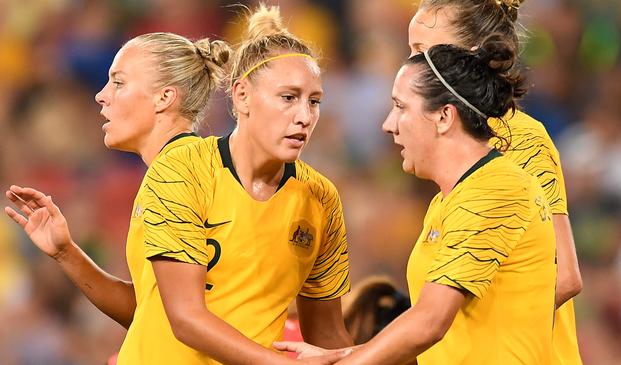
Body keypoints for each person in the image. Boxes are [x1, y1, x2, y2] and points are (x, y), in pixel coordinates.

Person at [276, 36, 557, 364]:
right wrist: (339, 356)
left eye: (400, 107)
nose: (388, 125)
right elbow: (439, 336)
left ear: (444, 116)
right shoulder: (449, 200)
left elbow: (430, 322)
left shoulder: (497, 189)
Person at [126, 4, 353, 365]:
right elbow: (186, 318)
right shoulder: (182, 168)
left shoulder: (320, 197)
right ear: (241, 95)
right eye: (288, 98)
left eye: (314, 102)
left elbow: (325, 334)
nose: (304, 116)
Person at [4, 30, 226, 357]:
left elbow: (186, 320)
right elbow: (154, 312)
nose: (101, 95)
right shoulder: (178, 168)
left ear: (164, 97)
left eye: (119, 83)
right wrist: (66, 253)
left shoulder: (174, 175)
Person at [407, 2, 583, 364]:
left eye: (422, 52)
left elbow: (563, 275)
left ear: (470, 56)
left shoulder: (518, 136)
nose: (409, 65)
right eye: (410, 51)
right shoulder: (452, 161)